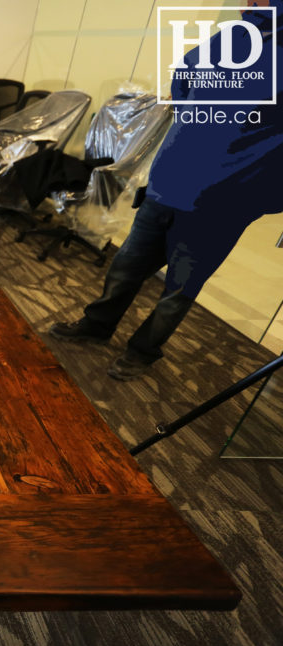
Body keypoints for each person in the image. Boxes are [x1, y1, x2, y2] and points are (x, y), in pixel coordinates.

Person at [50, 0, 283, 380]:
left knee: (178, 289)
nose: (246, 5)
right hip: (170, 185)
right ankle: (96, 326)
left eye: (256, 0)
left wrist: (259, 197)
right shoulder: (228, 41)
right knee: (127, 268)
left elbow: (183, 89)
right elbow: (181, 86)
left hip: (219, 205)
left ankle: (142, 352)